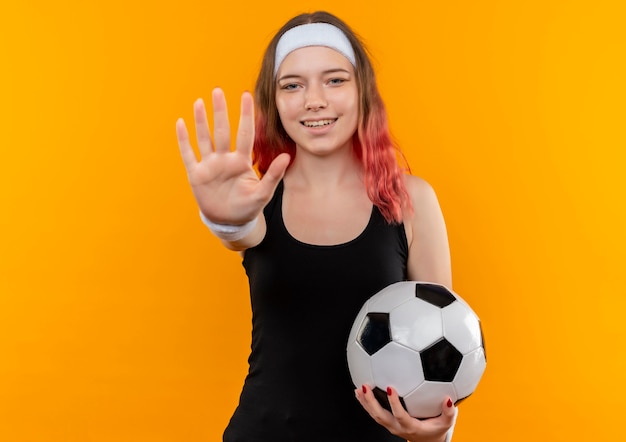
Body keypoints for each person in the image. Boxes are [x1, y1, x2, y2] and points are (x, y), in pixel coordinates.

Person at [176, 11, 457, 442]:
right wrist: (224, 218)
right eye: (293, 85)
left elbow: (442, 344)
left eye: (334, 80)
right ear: (275, 101)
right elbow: (241, 232)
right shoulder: (256, 196)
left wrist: (436, 436)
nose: (314, 100)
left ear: (362, 91)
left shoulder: (411, 200)